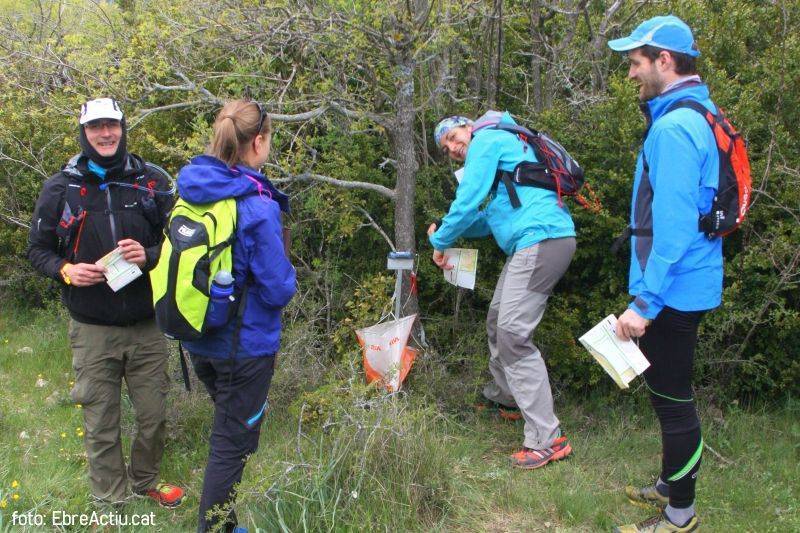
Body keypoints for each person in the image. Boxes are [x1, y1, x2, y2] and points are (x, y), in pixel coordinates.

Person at [27, 98, 183, 507]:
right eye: (96, 126)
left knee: (153, 416)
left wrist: (148, 255)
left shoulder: (150, 181)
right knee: (100, 422)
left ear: (123, 127)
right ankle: (111, 500)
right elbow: (38, 250)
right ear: (84, 132)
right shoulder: (61, 188)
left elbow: (182, 242)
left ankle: (144, 482)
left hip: (147, 325)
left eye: (111, 125)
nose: (105, 133)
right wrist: (66, 271)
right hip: (92, 328)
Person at [608, 15, 723, 533]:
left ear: (665, 61)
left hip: (674, 289)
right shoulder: (699, 110)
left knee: (674, 402)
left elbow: (673, 227)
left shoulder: (675, 126)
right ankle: (668, 486)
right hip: (688, 280)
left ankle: (680, 517)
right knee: (668, 396)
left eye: (635, 63)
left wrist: (644, 305)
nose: (631, 73)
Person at [429, 111, 577, 469]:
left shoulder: (489, 140)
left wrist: (439, 240)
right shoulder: (502, 158)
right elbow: (483, 220)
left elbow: (465, 204)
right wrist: (449, 232)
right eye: (445, 147)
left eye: (452, 136)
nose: (452, 147)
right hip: (535, 242)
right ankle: (507, 398)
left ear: (468, 126)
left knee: (513, 333)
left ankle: (547, 438)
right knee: (498, 320)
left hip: (542, 240)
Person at [176, 99, 296, 533]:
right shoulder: (257, 205)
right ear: (258, 141)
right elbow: (278, 287)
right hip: (245, 347)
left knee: (230, 433)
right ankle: (216, 529)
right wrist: (291, 269)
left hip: (199, 338)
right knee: (231, 446)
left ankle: (225, 525)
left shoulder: (193, 189)